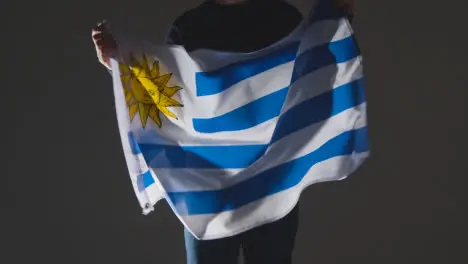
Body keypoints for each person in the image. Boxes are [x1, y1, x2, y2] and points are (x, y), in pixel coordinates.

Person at [92, 1, 356, 263]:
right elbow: (168, 100)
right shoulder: (188, 27)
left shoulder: (282, 17)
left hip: (273, 179)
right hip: (208, 188)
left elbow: (313, 65)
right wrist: (119, 61)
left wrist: (336, 17)